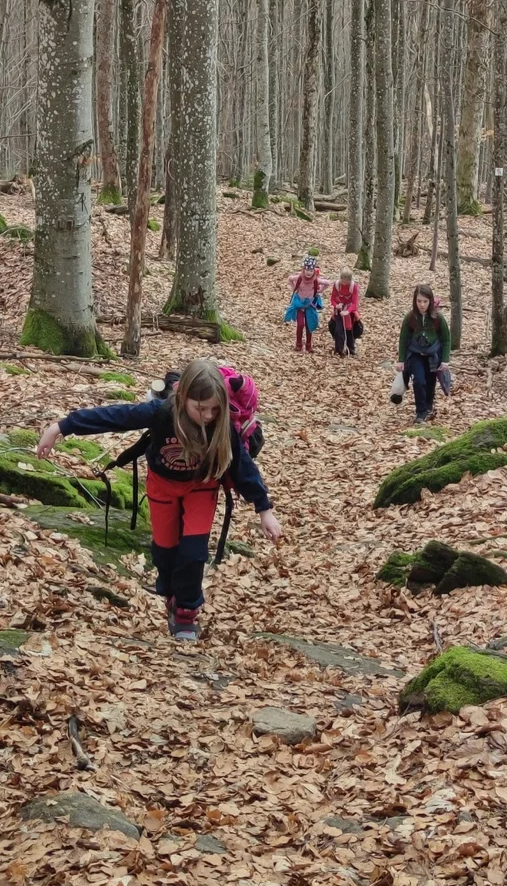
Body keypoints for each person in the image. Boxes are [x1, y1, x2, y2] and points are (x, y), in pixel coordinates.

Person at [38, 359, 281, 647]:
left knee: (193, 552)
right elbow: (115, 416)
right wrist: (62, 427)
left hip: (201, 488)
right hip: (163, 487)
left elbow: (243, 468)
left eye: (214, 408)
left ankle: (187, 613)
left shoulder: (221, 425)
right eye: (200, 408)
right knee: (164, 550)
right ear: (182, 398)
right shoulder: (161, 412)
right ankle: (170, 595)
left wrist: (264, 509)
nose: (207, 415)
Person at [396, 284, 451, 422]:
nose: (422, 304)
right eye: (419, 301)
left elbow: (446, 339)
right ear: (415, 301)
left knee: (430, 382)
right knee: (419, 381)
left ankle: (428, 407)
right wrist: (401, 360)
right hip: (415, 354)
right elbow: (403, 339)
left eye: (425, 301)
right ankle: (420, 412)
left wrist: (445, 360)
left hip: (433, 355)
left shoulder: (438, 318)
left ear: (430, 301)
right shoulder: (410, 317)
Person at [285, 253, 325, 353]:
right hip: (299, 305)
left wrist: (320, 291)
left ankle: (308, 345)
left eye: (311, 270)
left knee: (309, 324)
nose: (308, 272)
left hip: (310, 306)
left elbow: (327, 283)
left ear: (314, 271)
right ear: (304, 269)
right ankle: (298, 344)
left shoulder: (315, 280)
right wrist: (295, 288)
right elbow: (290, 278)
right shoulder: (300, 277)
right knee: (300, 324)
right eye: (307, 270)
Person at [328, 268, 363, 357]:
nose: (344, 282)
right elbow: (332, 299)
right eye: (342, 279)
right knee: (338, 329)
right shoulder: (336, 285)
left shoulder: (353, 287)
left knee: (348, 329)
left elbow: (355, 303)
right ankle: (339, 349)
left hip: (349, 310)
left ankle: (350, 349)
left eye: (346, 280)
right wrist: (336, 305)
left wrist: (348, 311)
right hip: (339, 310)